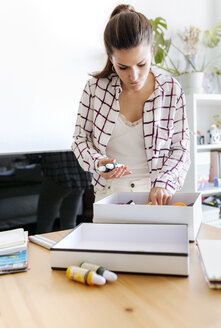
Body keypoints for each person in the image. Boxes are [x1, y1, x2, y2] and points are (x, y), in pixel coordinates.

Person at [72, 4, 190, 205]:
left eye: (141, 64)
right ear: (110, 58)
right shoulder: (94, 89)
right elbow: (80, 140)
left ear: (152, 51)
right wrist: (98, 162)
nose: (133, 76)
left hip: (156, 196)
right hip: (108, 197)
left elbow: (181, 149)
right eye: (123, 67)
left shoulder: (172, 90)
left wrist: (164, 183)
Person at [36, 151, 92, 233]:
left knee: (44, 226)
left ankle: (41, 244)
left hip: (57, 178)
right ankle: (69, 245)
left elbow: (34, 155)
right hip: (80, 179)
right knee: (69, 225)